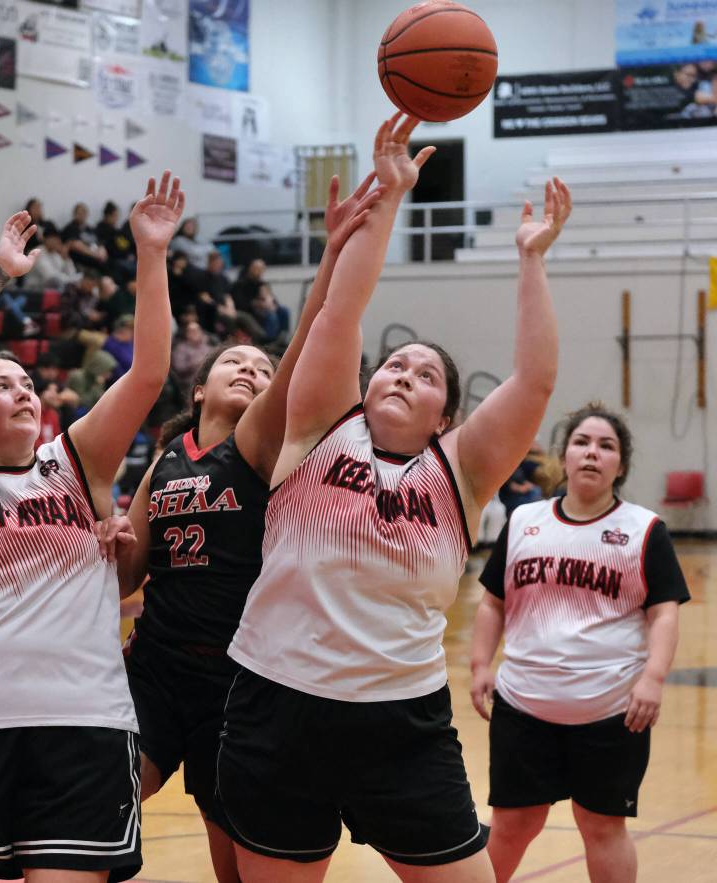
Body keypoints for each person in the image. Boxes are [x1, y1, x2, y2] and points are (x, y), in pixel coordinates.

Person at [212, 114, 572, 883]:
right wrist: (392, 199)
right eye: (395, 365)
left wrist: (531, 261)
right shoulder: (317, 429)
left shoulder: (461, 471)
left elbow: (535, 382)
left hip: (401, 720)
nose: (405, 373)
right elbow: (339, 314)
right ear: (367, 382)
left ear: (446, 415)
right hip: (280, 702)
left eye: (427, 374)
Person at [0, 172, 184, 881]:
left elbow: (149, 372)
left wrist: (151, 254)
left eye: (26, 383)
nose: (22, 390)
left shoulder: (78, 460)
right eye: (1, 385)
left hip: (82, 722)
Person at [118, 170, 383, 883]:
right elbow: (126, 577)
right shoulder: (167, 457)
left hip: (240, 675)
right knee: (95, 803)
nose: (253, 370)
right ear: (198, 386)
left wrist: (331, 255)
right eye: (235, 361)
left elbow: (305, 345)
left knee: (232, 863)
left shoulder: (261, 443)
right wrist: (110, 546)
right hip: (156, 665)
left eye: (261, 369)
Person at [469, 403, 689, 883]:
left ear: (621, 465)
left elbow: (664, 612)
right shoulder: (525, 520)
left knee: (602, 825)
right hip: (523, 705)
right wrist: (481, 664)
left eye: (606, 446)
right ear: (563, 457)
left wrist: (653, 678)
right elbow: (492, 603)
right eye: (582, 443)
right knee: (513, 824)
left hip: (610, 711)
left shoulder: (644, 530)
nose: (593, 453)